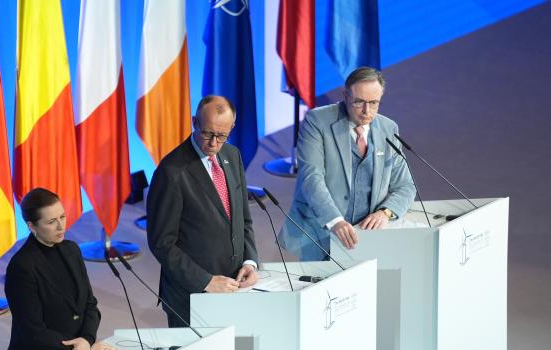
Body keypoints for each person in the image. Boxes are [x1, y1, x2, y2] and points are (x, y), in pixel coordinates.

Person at [279, 67, 416, 260]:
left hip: (368, 237)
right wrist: (335, 221)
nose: (366, 111)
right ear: (345, 95)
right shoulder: (317, 121)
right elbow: (311, 177)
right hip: (321, 232)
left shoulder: (388, 128)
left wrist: (386, 213)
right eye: (359, 102)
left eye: (374, 103)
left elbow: (405, 186)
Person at [146, 95, 259, 327]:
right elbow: (162, 244)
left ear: (232, 128)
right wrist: (205, 281)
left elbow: (241, 219)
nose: (213, 143)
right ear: (194, 122)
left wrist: (250, 261)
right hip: (191, 296)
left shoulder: (232, 155)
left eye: (222, 136)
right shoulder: (172, 172)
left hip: (234, 286)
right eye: (207, 133)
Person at [5, 188, 117, 350]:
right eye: (51, 221)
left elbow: (89, 304)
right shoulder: (22, 267)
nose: (61, 226)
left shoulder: (71, 249)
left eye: (63, 217)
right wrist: (80, 348)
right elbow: (32, 330)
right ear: (31, 226)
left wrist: (86, 340)